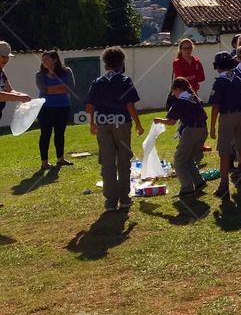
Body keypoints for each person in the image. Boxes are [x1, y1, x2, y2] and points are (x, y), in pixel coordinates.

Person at [84, 46, 144, 212]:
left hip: (103, 124)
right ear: (121, 63)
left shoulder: (97, 82)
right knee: (123, 160)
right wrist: (138, 123)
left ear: (105, 63)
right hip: (122, 123)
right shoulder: (125, 81)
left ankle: (110, 200)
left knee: (107, 162)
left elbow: (89, 107)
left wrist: (92, 124)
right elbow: (130, 105)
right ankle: (124, 198)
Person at [153, 77, 208, 197]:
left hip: (191, 131)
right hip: (203, 129)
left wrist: (159, 120)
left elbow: (171, 121)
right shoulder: (194, 98)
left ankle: (187, 187)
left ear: (177, 89)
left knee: (179, 160)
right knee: (189, 158)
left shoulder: (180, 102)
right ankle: (199, 182)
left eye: (174, 92)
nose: (174, 95)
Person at [208, 51, 241, 198]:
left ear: (217, 66)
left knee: (224, 151)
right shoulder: (238, 78)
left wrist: (212, 126)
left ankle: (224, 185)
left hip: (228, 116)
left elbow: (215, 106)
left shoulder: (219, 82)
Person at [34, 50, 76, 169]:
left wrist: (52, 89)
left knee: (60, 133)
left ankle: (60, 159)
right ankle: (44, 162)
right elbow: (44, 90)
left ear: (55, 59)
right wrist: (62, 86)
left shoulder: (66, 71)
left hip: (63, 106)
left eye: (47, 59)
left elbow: (71, 88)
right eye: (43, 59)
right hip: (45, 108)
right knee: (45, 134)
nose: (44, 61)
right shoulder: (39, 74)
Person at [0, 40, 30, 106]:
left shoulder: (1, 71)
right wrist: (18, 97)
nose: (6, 60)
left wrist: (21, 95)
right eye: (3, 56)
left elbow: (9, 90)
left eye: (7, 57)